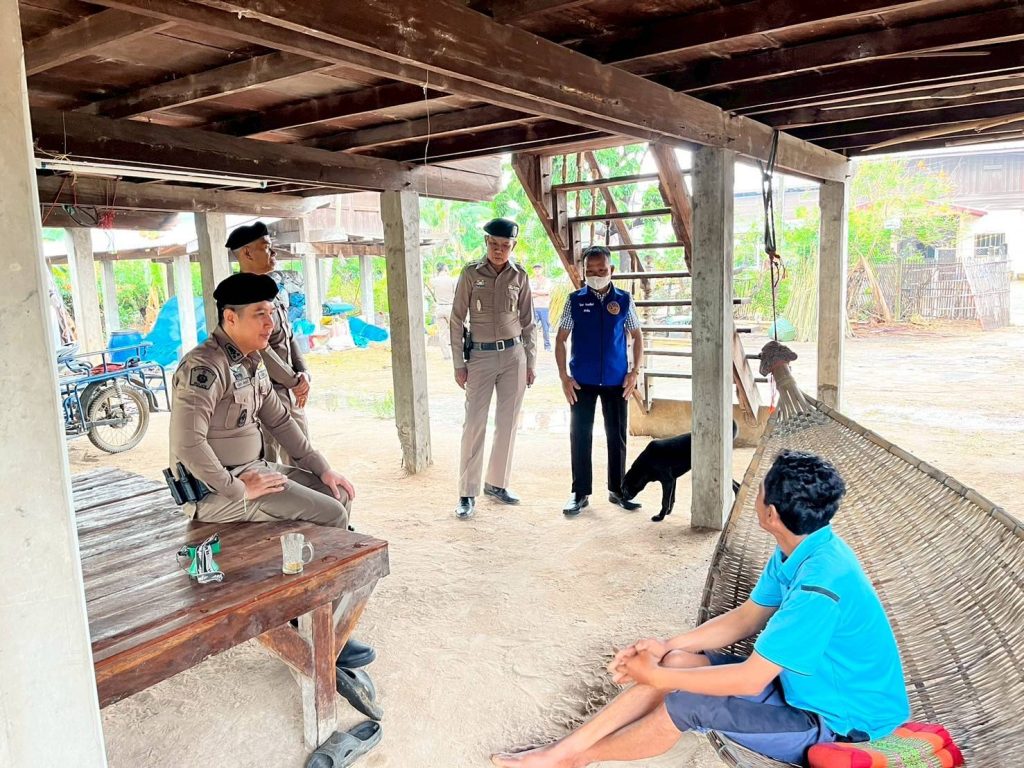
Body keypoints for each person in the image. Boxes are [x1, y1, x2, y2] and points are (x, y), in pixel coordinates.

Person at [491, 451, 910, 768]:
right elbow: (747, 616)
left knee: (686, 703)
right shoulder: (801, 547)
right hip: (799, 689)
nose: (754, 492)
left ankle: (575, 757)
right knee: (677, 661)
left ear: (770, 514)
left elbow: (750, 678)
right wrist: (665, 648)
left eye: (759, 488)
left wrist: (656, 677)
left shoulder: (820, 587)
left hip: (838, 724)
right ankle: (564, 750)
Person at [169, 272, 375, 669]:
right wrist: (237, 488)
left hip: (253, 472)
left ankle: (307, 610)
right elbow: (188, 444)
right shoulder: (205, 367)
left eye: (272, 313)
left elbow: (280, 421)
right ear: (230, 318)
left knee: (336, 494)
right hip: (214, 493)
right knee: (332, 515)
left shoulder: (252, 361)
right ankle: (321, 630)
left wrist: (323, 469)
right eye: (260, 314)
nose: (271, 323)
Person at [449, 217, 537, 520]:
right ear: (486, 242)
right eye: (494, 244)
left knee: (508, 422)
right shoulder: (471, 274)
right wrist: (459, 363)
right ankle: (467, 491)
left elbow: (529, 322)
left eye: (505, 245)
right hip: (480, 357)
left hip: (514, 356)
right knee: (474, 423)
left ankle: (497, 484)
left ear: (513, 246)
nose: (499, 250)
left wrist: (531, 362)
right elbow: (456, 319)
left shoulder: (520, 275)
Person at [556, 246, 644, 516]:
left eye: (601, 270)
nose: (596, 275)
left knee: (616, 436)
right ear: (583, 272)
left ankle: (618, 490)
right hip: (582, 382)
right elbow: (561, 339)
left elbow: (637, 336)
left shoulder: (624, 300)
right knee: (580, 435)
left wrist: (634, 372)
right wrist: (564, 377)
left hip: (617, 381)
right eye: (590, 271)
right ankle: (580, 493)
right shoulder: (574, 301)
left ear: (611, 270)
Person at [227, 221, 311, 465]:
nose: (273, 252)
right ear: (247, 253)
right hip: (263, 393)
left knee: (303, 462)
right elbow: (260, 348)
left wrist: (303, 373)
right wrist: (294, 381)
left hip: (289, 388)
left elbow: (288, 336)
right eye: (265, 247)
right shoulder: (239, 298)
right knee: (269, 464)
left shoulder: (272, 291)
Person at [430, 262, 457, 360]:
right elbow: (456, 293)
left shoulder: (434, 281)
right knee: (455, 331)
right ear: (445, 268)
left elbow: (431, 285)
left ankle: (446, 355)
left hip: (439, 308)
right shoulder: (452, 280)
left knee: (442, 333)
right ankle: (456, 353)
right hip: (450, 307)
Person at [531, 264, 552, 352]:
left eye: (538, 269)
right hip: (534, 307)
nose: (537, 270)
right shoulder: (531, 281)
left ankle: (547, 346)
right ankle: (532, 347)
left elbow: (547, 292)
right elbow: (529, 293)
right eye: (535, 269)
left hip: (544, 307)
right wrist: (541, 293)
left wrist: (535, 292)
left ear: (542, 270)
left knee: (545, 328)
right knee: (532, 328)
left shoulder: (547, 280)